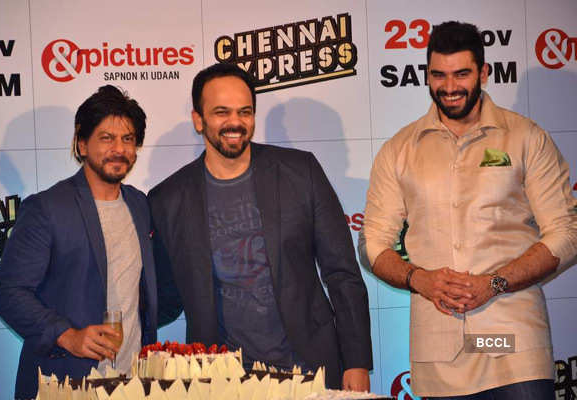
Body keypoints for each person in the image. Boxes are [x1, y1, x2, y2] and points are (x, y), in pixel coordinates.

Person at [359, 21, 577, 399]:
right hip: (439, 353)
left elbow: (567, 232)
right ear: (427, 75)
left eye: (462, 74)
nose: (449, 87)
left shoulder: (525, 137)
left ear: (484, 73)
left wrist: (494, 283)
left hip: (512, 345)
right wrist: (419, 279)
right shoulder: (399, 150)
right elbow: (372, 243)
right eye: (438, 75)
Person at [148, 63, 372, 390]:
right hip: (221, 381)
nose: (235, 122)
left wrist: (356, 361)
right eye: (221, 112)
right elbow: (167, 296)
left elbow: (342, 272)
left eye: (245, 111)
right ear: (198, 120)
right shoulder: (167, 199)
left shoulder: (301, 172)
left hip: (310, 372)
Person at [0, 85, 158, 400]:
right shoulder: (46, 208)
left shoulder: (140, 205)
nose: (119, 149)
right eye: (106, 138)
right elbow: (7, 294)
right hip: (66, 385)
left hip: (132, 384)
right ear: (81, 144)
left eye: (128, 139)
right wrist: (66, 335)